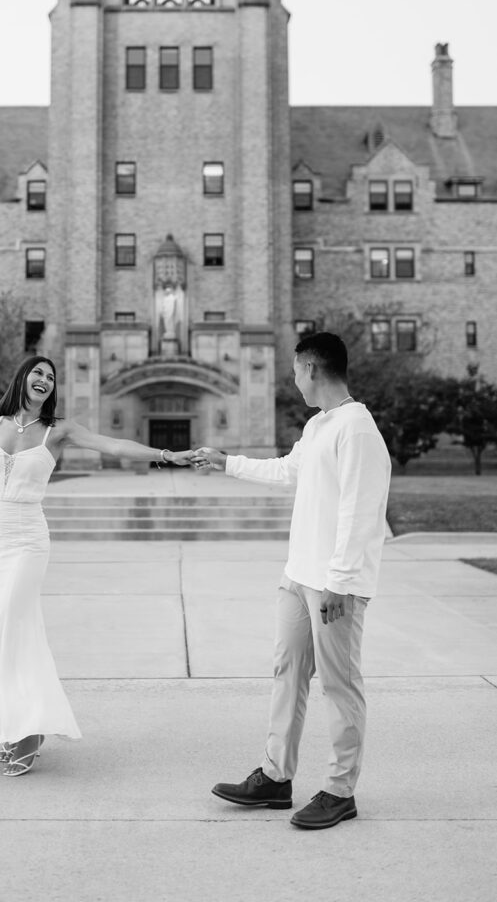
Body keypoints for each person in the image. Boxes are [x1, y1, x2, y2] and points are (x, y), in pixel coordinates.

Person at [0, 355, 193, 777]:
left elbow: (114, 445)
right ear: (23, 378)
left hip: (28, 539)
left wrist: (166, 454)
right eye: (38, 373)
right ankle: (14, 724)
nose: (45, 381)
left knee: (12, 626)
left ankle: (30, 730)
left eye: (51, 377)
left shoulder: (58, 430)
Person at [192, 331, 391, 829]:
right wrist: (227, 463)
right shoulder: (319, 423)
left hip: (334, 585)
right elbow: (287, 471)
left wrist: (340, 582)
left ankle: (340, 791)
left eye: (296, 371)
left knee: (340, 685)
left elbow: (361, 513)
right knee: (287, 674)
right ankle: (276, 778)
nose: (294, 379)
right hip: (299, 576)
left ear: (313, 369)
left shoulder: (357, 429)